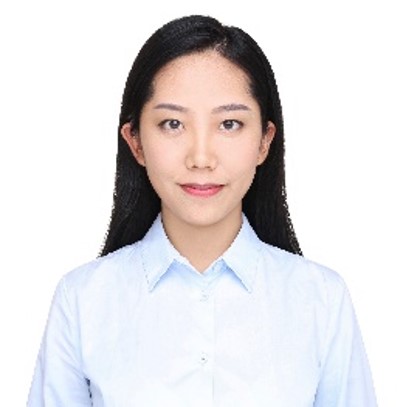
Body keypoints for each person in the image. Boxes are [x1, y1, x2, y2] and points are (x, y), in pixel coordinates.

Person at [27, 15, 377, 406]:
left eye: (229, 124)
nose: (201, 157)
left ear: (264, 141)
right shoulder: (82, 300)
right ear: (136, 141)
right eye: (172, 124)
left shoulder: (321, 300)